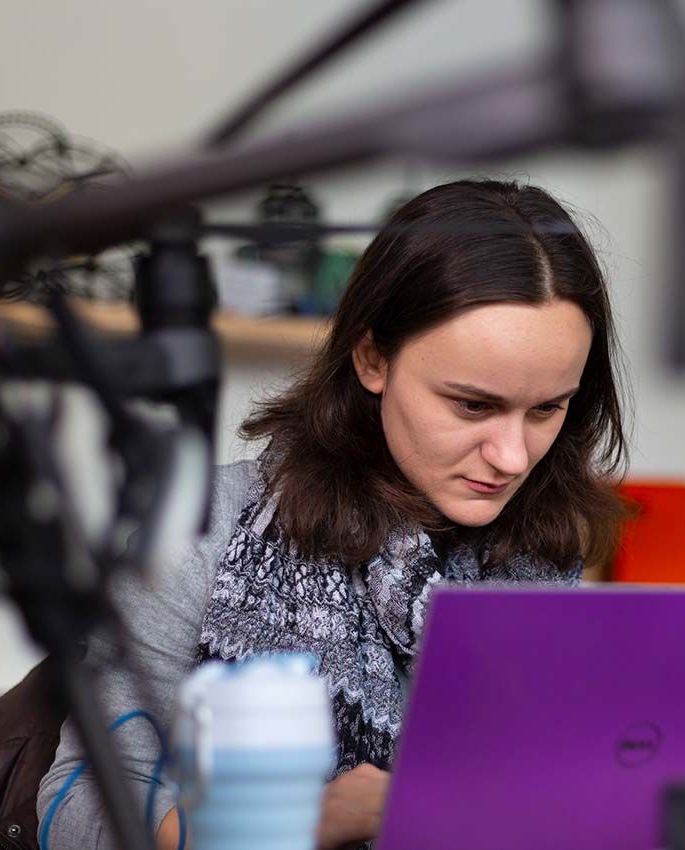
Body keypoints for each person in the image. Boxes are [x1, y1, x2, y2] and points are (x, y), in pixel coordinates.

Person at [36, 179, 629, 850]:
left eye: (547, 408)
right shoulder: (201, 530)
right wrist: (294, 827)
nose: (513, 455)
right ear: (373, 358)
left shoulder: (541, 560)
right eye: (472, 405)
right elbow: (75, 806)